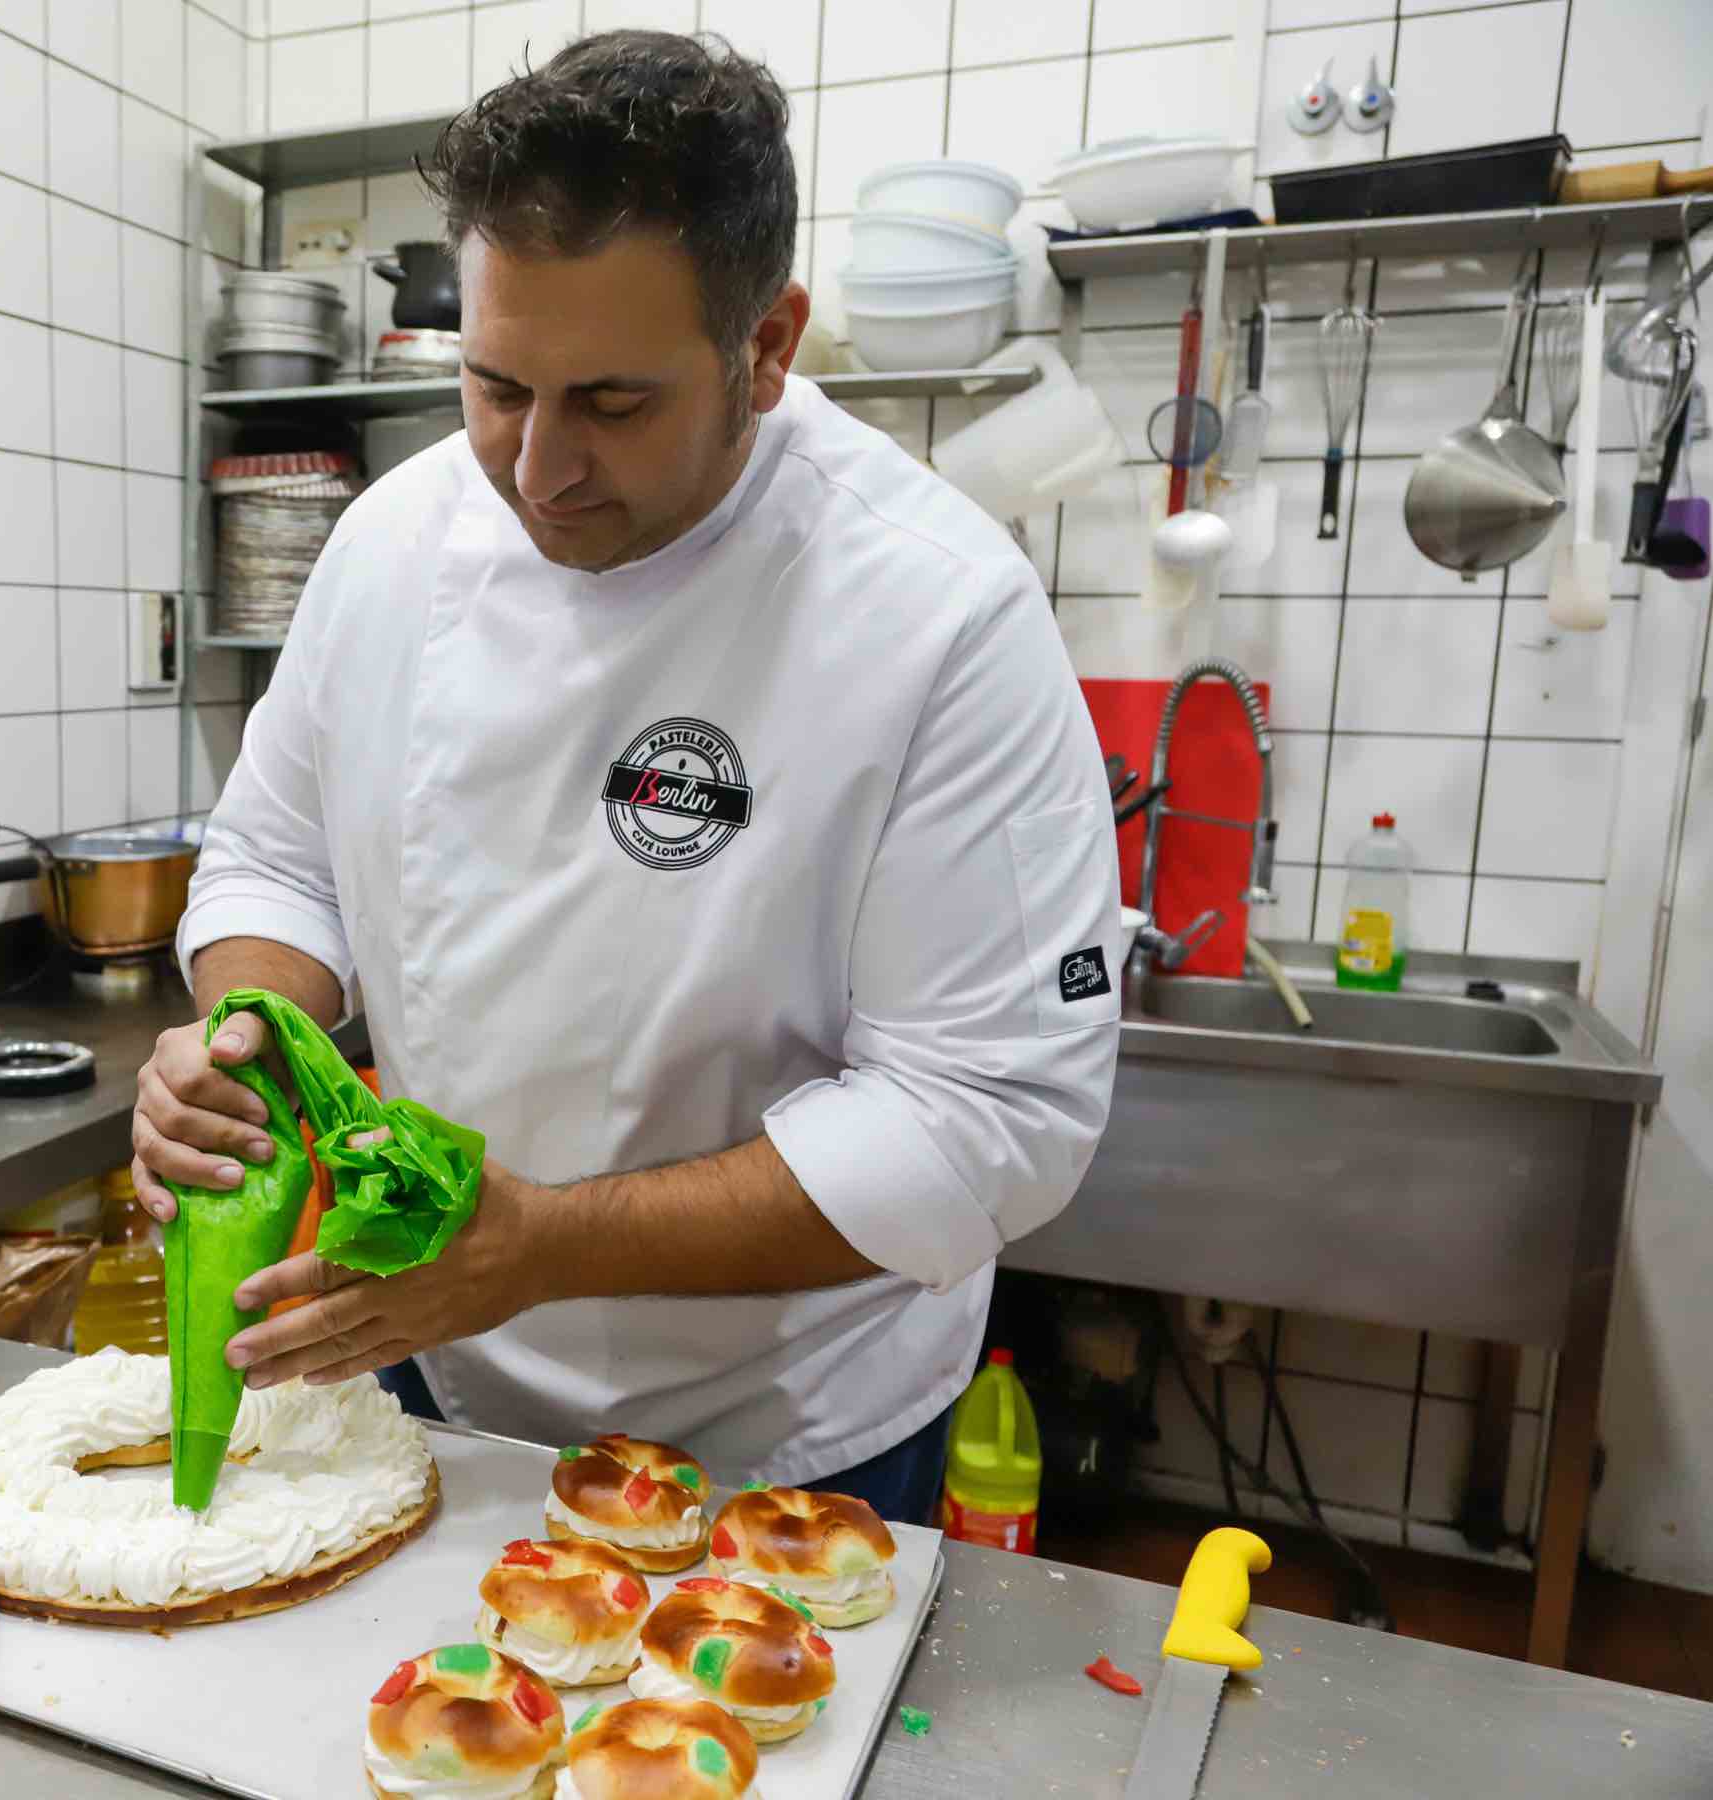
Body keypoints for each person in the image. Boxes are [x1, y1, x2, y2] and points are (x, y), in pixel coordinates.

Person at [130, 30, 1118, 1525]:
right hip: (433, 1379)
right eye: (494, 385)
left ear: (767, 346)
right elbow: (277, 859)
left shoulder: (933, 610)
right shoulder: (395, 541)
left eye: (611, 404)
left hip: (786, 1427)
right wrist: (247, 1032)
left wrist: (545, 1246)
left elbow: (987, 1119)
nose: (535, 471)